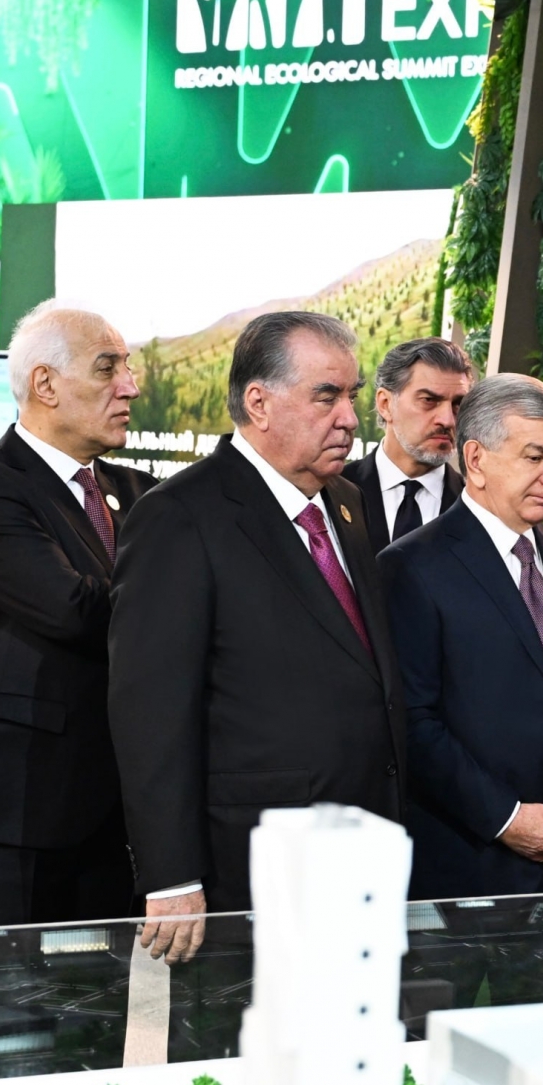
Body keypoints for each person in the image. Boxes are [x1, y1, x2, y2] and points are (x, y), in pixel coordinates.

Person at [109, 311, 404, 965]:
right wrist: (172, 876)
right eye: (326, 396)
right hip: (245, 870)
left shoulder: (347, 505)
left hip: (360, 851)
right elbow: (151, 715)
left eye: (351, 396)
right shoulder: (179, 517)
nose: (349, 419)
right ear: (258, 403)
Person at [0, 303, 155, 928]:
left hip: (115, 809)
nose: (130, 387)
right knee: (11, 991)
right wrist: (176, 610)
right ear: (45, 384)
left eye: (128, 367)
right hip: (15, 804)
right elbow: (73, 610)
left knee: (98, 990)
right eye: (107, 368)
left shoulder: (137, 493)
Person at [381, 373, 543, 899]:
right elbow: (412, 722)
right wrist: (506, 818)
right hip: (466, 868)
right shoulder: (411, 566)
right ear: (476, 460)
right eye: (535, 457)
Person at [341, 337, 471, 552]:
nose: (448, 420)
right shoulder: (331, 491)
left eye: (458, 404)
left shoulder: (476, 507)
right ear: (385, 404)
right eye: (429, 400)